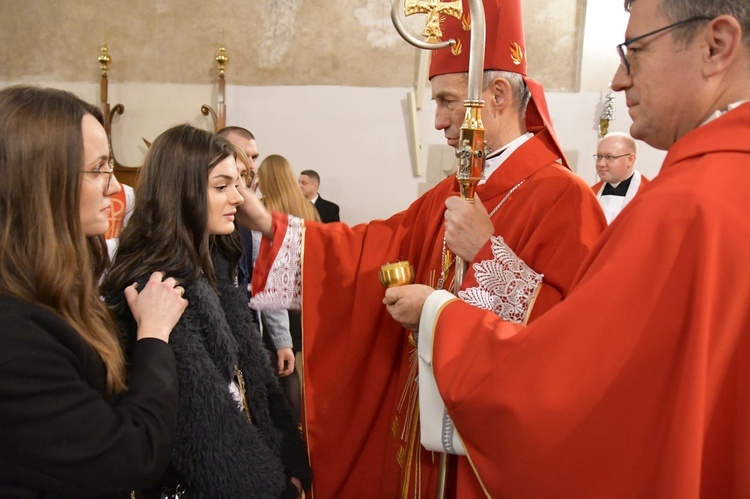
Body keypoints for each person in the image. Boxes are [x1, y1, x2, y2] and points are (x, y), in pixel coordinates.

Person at [383, 0, 750, 496]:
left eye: (634, 51)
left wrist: (440, 315)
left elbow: (575, 381)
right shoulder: (721, 186)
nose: (618, 81)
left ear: (716, 46)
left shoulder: (687, 205)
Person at [240, 0, 606, 496]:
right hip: (424, 441)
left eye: (447, 101)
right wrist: (270, 223)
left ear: (496, 95)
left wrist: (486, 256)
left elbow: (576, 346)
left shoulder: (566, 198)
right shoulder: (452, 191)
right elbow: (368, 248)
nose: (438, 121)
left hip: (490, 456)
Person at [101, 125, 311, 498]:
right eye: (222, 186)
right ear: (182, 192)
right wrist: (272, 488)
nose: (239, 198)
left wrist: (289, 459)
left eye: (240, 183)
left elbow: (252, 379)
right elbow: (201, 420)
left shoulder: (209, 262)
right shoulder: (159, 281)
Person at [0, 85, 188, 497]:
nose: (112, 186)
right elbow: (130, 456)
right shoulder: (14, 335)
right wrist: (154, 336)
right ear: (43, 181)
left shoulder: (57, 286)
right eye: (99, 168)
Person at [218, 126, 296, 379]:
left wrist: (282, 339)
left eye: (254, 158)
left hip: (250, 333)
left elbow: (265, 276)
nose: (253, 167)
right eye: (247, 158)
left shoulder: (252, 215)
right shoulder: (213, 218)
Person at [257, 155, 321, 420]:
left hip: (276, 297)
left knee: (279, 365)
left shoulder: (264, 213)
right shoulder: (308, 209)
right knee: (297, 364)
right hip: (302, 298)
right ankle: (301, 424)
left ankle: (286, 425)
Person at [591, 131, 651, 223]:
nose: (601, 164)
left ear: (630, 159)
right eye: (599, 156)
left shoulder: (649, 194)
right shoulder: (591, 194)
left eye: (609, 157)